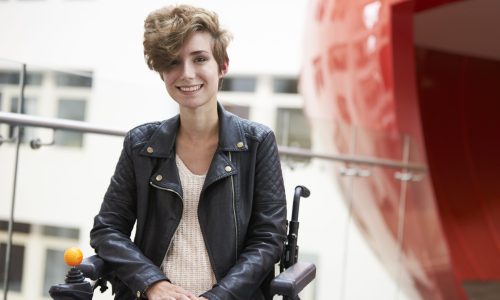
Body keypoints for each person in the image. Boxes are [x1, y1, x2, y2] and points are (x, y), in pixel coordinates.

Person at [90, 4, 287, 300]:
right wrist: (152, 283)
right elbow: (107, 230)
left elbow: (268, 240)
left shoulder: (257, 143)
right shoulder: (140, 145)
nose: (187, 74)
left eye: (200, 59)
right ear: (161, 73)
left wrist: (218, 296)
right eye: (173, 63)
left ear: (222, 66)